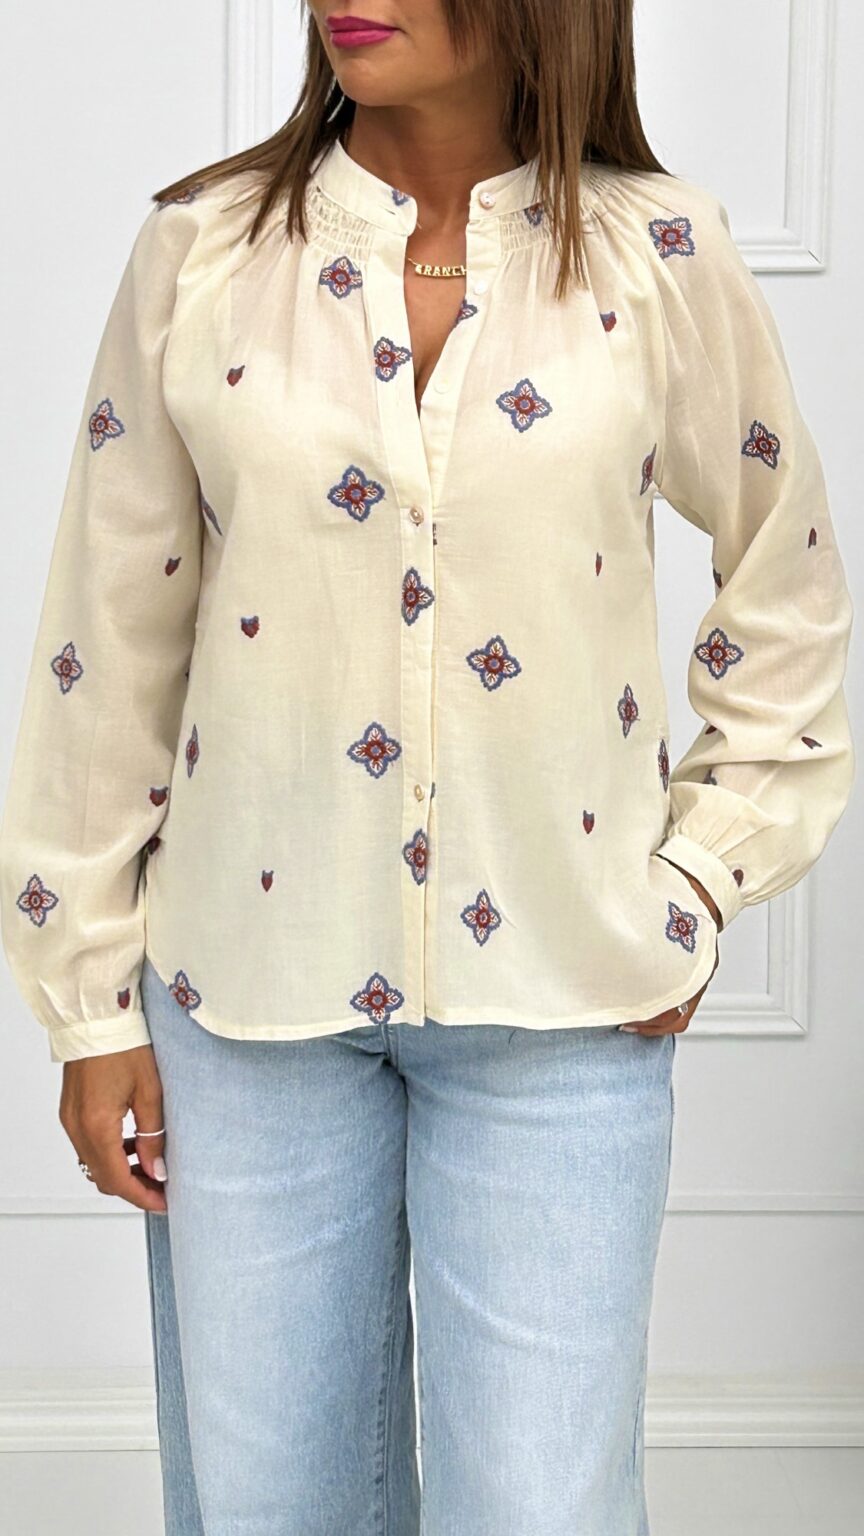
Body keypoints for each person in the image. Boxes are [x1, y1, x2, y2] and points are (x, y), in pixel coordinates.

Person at [0, 2, 854, 1532]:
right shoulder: (202, 251)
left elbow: (787, 589)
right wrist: (85, 1001)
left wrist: (701, 873)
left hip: (568, 1006)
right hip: (243, 999)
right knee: (272, 1509)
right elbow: (106, 644)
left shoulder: (661, 255)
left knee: (544, 1508)